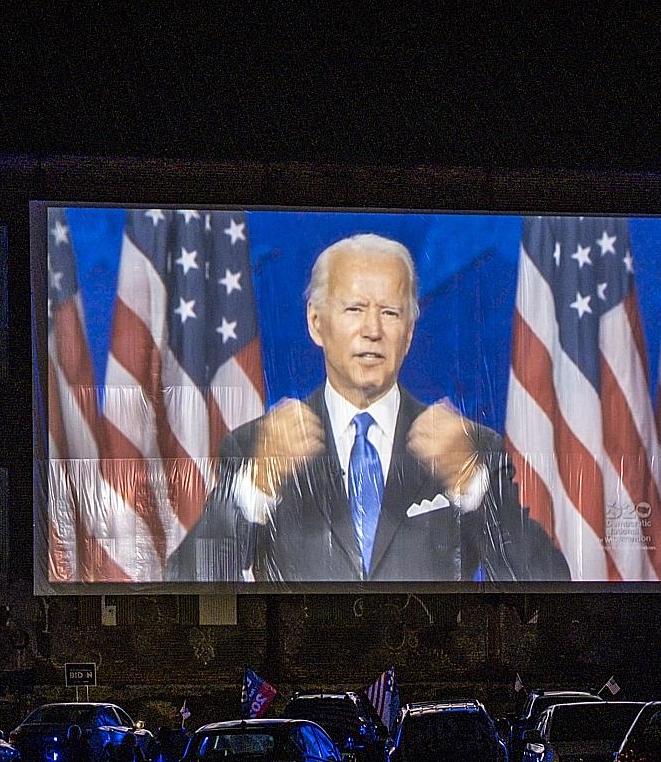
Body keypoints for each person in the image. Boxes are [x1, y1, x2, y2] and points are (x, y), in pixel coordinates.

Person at [165, 233, 569, 583]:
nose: (373, 331)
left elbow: (549, 586)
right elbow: (185, 582)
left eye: (390, 313)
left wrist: (476, 485)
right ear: (316, 322)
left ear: (408, 334)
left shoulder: (471, 449)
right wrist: (256, 484)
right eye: (355, 309)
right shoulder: (254, 446)